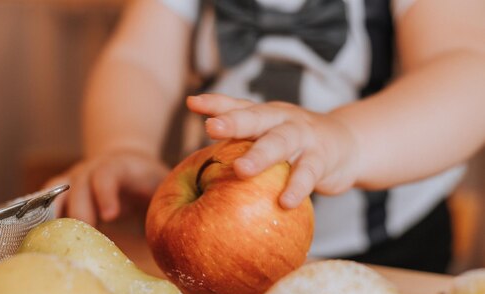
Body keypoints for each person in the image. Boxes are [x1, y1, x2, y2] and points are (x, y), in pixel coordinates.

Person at [47, 0, 485, 273]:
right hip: (214, 238)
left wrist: (348, 140)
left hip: (388, 249)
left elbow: (467, 71)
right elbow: (138, 59)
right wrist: (125, 145)